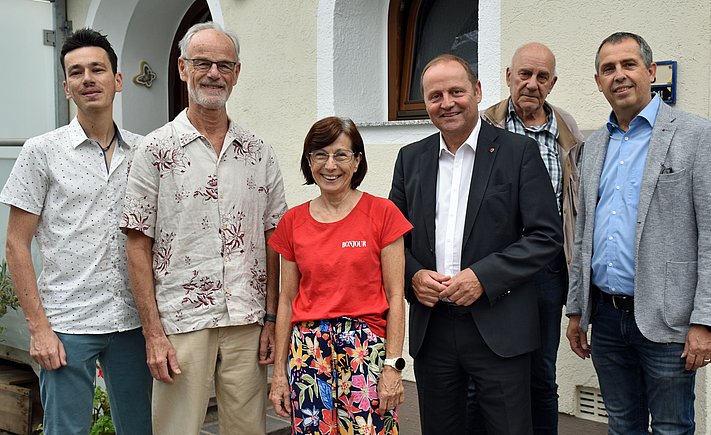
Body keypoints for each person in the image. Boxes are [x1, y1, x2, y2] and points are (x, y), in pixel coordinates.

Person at [121, 21, 287, 435]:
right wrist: (153, 333)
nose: (214, 73)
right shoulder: (153, 150)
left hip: (246, 319)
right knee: (176, 429)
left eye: (224, 65)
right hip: (180, 319)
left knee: (248, 429)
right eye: (202, 63)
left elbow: (274, 239)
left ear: (236, 73)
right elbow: (137, 244)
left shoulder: (259, 152)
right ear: (182, 68)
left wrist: (270, 318)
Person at [565, 32, 711, 434]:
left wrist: (707, 322)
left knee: (672, 427)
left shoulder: (696, 136)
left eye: (629, 65)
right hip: (605, 318)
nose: (619, 76)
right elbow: (583, 233)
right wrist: (576, 310)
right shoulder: (595, 146)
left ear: (650, 71)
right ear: (598, 81)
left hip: (670, 319)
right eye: (609, 69)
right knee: (622, 425)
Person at [389, 54, 563, 434]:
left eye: (456, 91)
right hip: (434, 328)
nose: (447, 103)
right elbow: (391, 240)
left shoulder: (518, 153)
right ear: (425, 102)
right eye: (436, 95)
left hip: (499, 325)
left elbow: (546, 236)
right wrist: (414, 276)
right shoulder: (410, 159)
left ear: (478, 92)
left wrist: (484, 277)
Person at [1, 28, 152, 434]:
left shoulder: (144, 152)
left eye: (98, 69)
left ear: (117, 81)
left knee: (140, 428)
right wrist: (38, 328)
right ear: (66, 87)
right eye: (76, 72)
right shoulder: (40, 151)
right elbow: (16, 244)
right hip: (67, 324)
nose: (88, 78)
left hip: (132, 322)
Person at [467, 42, 585, 435]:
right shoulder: (483, 127)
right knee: (486, 370)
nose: (532, 84)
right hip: (493, 269)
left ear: (552, 83)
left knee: (540, 374)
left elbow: (578, 213)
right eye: (524, 74)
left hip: (546, 273)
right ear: (508, 76)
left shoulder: (569, 134)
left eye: (542, 77)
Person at [268, 116, 412, 434]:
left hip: (364, 349)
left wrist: (393, 365)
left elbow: (395, 296)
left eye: (341, 154)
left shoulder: (383, 213)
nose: (330, 165)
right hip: (307, 352)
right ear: (309, 161)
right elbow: (287, 300)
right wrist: (279, 372)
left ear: (357, 160)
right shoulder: (292, 222)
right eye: (320, 154)